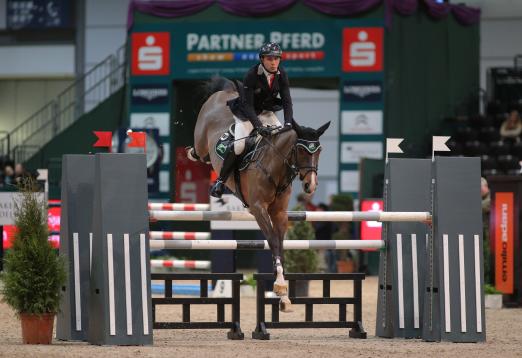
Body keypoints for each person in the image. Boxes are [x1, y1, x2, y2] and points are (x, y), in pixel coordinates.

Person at [210, 42, 294, 198]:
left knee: (283, 141)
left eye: (277, 58)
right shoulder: (251, 75)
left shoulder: (282, 73)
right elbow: (248, 106)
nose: (274, 62)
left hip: (266, 112)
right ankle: (220, 181)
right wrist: (259, 126)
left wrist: (288, 123)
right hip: (246, 113)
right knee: (240, 145)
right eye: (270, 59)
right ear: (262, 59)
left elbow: (287, 101)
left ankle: (283, 180)